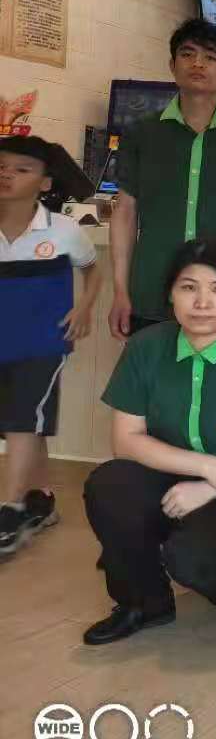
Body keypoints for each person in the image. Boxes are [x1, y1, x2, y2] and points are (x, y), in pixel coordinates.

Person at [82, 238, 216, 644]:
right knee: (110, 484)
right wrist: (207, 467)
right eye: (188, 287)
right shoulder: (146, 347)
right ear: (170, 294)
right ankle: (143, 603)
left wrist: (213, 486)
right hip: (171, 473)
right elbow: (126, 440)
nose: (202, 302)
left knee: (196, 563)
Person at [109, 19, 216, 339]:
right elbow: (125, 212)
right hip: (152, 290)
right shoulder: (142, 132)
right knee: (150, 369)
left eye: (210, 57)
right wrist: (120, 290)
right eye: (187, 54)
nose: (197, 63)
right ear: (172, 65)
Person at [0, 136, 101, 554]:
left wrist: (84, 308)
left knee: (22, 419)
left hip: (43, 342)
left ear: (44, 183)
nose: (7, 174)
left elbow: (93, 269)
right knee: (28, 420)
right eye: (2, 166)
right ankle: (40, 500)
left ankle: (9, 510)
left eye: (21, 169)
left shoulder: (64, 230)